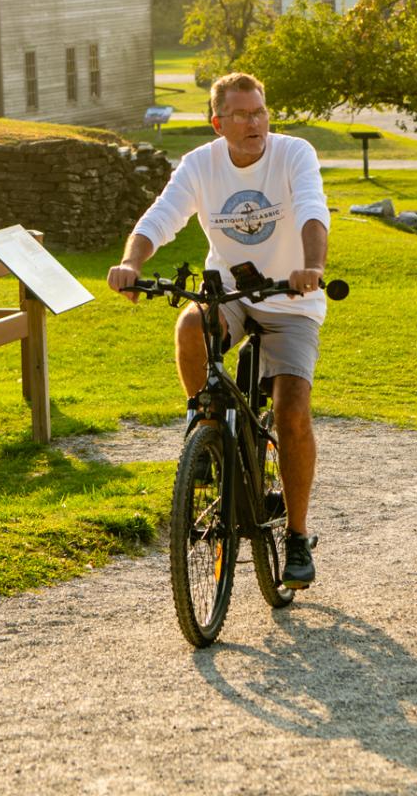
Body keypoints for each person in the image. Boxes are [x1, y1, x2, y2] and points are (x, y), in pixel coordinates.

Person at [106, 71, 331, 587]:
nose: (255, 123)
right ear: (217, 123)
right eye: (242, 115)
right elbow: (162, 216)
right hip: (229, 291)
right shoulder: (200, 165)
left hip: (289, 298)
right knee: (190, 324)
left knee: (292, 411)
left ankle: (296, 537)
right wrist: (130, 262)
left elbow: (314, 211)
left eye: (260, 112)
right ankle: (203, 425)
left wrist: (311, 267)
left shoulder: (294, 153)